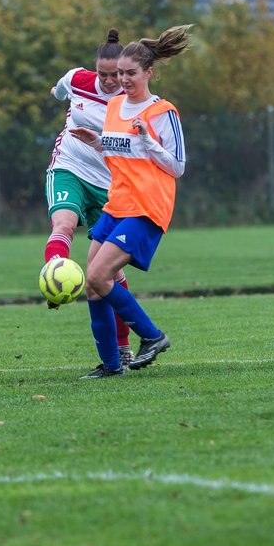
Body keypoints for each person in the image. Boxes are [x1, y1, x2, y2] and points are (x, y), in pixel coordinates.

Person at [69, 24, 191, 379]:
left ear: (149, 73)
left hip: (146, 206)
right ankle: (110, 365)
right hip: (117, 203)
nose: (122, 79)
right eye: (119, 73)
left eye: (130, 73)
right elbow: (118, 155)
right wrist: (96, 141)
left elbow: (177, 166)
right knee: (92, 284)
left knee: (99, 275)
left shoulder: (163, 112)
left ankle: (152, 337)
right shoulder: (115, 106)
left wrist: (149, 141)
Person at [43, 29, 134, 367]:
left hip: (111, 187)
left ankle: (123, 347)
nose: (110, 81)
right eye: (104, 74)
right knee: (63, 222)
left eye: (117, 75)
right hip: (69, 166)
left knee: (107, 273)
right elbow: (59, 91)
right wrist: (57, 92)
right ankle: (54, 275)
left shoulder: (132, 101)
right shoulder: (78, 79)